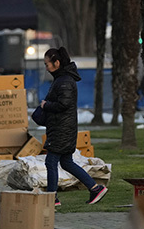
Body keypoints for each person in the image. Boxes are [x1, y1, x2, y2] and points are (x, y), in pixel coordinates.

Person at [41, 46, 107, 207]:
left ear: (56, 63)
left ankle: (52, 198)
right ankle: (95, 188)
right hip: (63, 127)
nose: (46, 67)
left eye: (47, 63)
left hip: (62, 129)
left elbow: (64, 103)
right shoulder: (62, 79)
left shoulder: (64, 81)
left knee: (51, 161)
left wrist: (46, 105)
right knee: (66, 162)